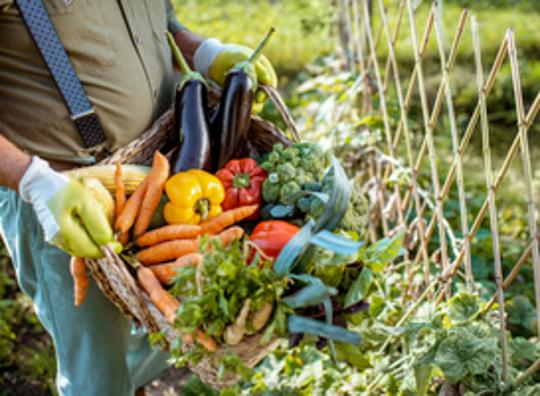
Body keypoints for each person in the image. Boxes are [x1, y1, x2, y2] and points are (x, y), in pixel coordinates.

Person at [0, 1, 276, 395]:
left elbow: (158, 24)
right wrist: (32, 181)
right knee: (97, 379)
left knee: (168, 324)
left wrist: (205, 52)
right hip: (66, 196)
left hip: (165, 172)